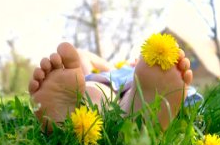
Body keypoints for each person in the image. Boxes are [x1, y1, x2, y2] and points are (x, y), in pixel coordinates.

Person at [29, 42, 201, 132]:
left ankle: (134, 108)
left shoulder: (142, 72)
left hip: (137, 83)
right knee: (93, 88)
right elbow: (82, 56)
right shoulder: (116, 68)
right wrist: (109, 66)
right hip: (110, 79)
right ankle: (75, 110)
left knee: (103, 88)